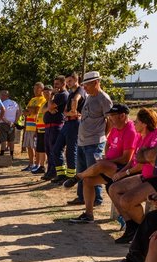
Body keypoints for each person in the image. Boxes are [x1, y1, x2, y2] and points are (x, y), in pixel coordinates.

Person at [68, 103, 139, 223]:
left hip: (123, 170)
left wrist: (107, 161)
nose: (110, 118)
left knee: (101, 165)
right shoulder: (116, 128)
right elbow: (108, 144)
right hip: (111, 167)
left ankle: (78, 176)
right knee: (88, 181)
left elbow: (126, 159)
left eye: (112, 115)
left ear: (122, 116)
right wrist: (106, 156)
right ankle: (88, 215)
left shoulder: (130, 131)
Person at [108, 107, 157, 243]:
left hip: (154, 178)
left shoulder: (154, 135)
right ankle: (131, 227)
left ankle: (143, 231)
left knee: (126, 200)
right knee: (113, 189)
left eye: (137, 121)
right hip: (144, 176)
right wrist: (123, 172)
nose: (134, 123)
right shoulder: (141, 138)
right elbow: (138, 158)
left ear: (144, 123)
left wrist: (125, 172)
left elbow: (142, 160)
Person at [62, 70, 112, 210]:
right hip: (83, 141)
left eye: (87, 85)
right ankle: (82, 197)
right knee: (81, 171)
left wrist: (103, 136)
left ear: (96, 83)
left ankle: (96, 199)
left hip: (95, 142)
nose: (84, 88)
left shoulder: (104, 99)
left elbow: (110, 120)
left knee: (93, 173)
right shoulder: (90, 97)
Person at [50, 72, 86, 184]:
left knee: (71, 151)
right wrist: (69, 113)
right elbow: (65, 111)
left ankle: (71, 176)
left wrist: (73, 111)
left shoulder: (80, 90)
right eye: (67, 81)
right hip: (67, 124)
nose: (68, 83)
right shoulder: (70, 93)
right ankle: (61, 174)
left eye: (70, 81)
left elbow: (75, 100)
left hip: (75, 124)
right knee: (56, 149)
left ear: (76, 79)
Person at [40, 76, 68, 180]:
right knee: (48, 150)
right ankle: (51, 171)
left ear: (63, 84)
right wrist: (49, 108)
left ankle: (56, 172)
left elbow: (50, 106)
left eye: (57, 84)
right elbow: (43, 110)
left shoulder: (62, 95)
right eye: (54, 84)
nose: (55, 86)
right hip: (48, 127)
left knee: (54, 150)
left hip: (56, 126)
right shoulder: (56, 95)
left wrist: (51, 100)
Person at [21, 82, 45, 171]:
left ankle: (37, 164)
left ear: (42, 89)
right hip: (28, 126)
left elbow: (36, 110)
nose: (35, 90)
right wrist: (30, 110)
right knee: (29, 146)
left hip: (36, 126)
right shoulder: (32, 99)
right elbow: (26, 111)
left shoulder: (43, 99)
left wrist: (31, 110)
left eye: (37, 88)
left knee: (37, 147)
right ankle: (30, 163)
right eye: (34, 89)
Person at [0, 90, 20, 158]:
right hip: (12, 124)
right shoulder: (14, 103)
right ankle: (11, 155)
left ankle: (2, 155)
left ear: (4, 96)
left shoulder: (1, 103)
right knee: (11, 140)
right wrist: (15, 122)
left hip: (4, 123)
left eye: (0, 95)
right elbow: (19, 112)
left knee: (3, 140)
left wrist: (7, 121)